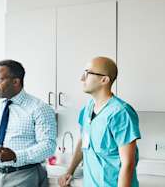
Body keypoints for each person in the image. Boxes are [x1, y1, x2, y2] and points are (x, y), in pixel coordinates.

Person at [58, 57, 141, 187]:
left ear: (104, 80)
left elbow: (128, 164)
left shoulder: (121, 113)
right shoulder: (87, 109)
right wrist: (70, 171)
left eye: (87, 73)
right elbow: (83, 143)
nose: (82, 78)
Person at [0, 60, 57, 187]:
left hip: (25, 175)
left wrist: (15, 156)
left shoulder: (39, 108)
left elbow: (48, 146)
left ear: (15, 82)